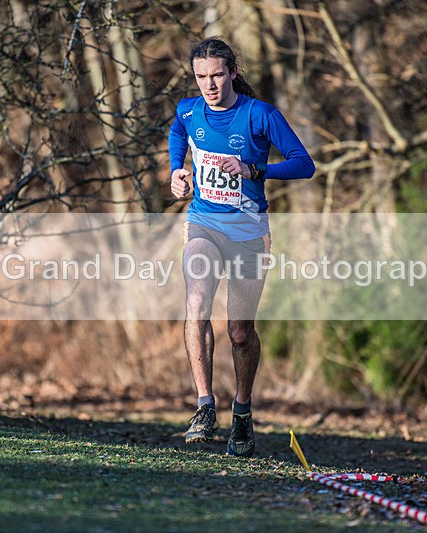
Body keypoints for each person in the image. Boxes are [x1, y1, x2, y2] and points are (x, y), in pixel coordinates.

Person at [168, 37, 315, 457]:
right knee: (196, 305)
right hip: (203, 224)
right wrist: (177, 169)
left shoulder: (259, 115)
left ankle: (243, 412)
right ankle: (204, 405)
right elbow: (178, 131)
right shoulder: (189, 109)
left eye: (216, 75)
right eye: (201, 77)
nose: (209, 85)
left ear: (232, 72)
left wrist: (255, 168)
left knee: (239, 331)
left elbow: (305, 164)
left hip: (249, 234)